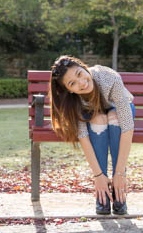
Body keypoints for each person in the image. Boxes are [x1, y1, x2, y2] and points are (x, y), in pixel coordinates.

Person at [49, 55, 135, 215]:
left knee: (114, 117)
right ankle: (102, 194)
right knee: (98, 118)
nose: (81, 83)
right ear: (68, 90)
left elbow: (127, 126)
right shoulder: (75, 101)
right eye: (72, 83)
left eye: (79, 74)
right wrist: (98, 176)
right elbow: (83, 137)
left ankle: (119, 192)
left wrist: (119, 173)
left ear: (84, 67)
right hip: (97, 117)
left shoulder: (108, 77)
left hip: (121, 113)